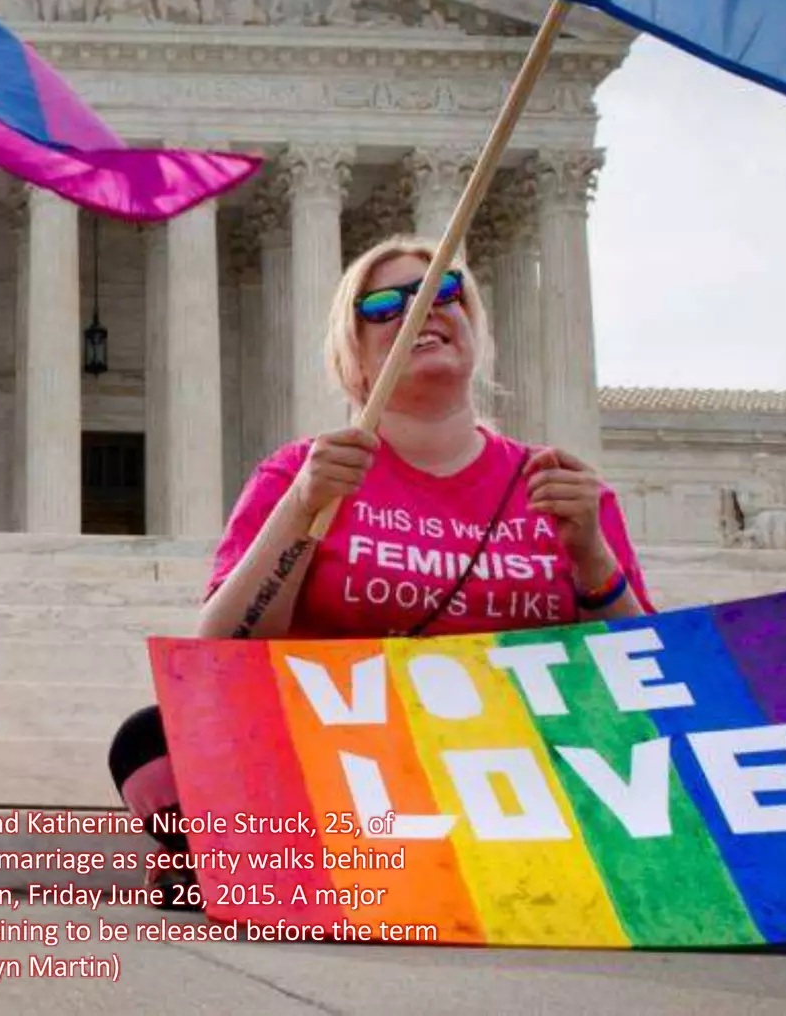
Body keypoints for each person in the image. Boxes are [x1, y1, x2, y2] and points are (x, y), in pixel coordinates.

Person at [107, 234, 653, 907]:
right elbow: (221, 652)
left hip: (508, 761)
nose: (421, 309)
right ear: (352, 358)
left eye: (443, 291)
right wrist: (302, 509)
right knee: (153, 742)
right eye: (385, 305)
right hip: (351, 762)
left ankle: (277, 859)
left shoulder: (560, 485)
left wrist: (591, 555)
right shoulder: (297, 474)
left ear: (473, 327)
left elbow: (651, 677)